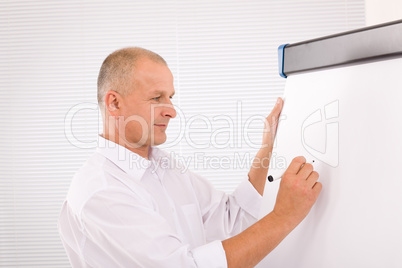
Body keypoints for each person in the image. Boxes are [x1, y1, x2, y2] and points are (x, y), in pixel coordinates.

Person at [58, 47, 322, 268]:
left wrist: (268, 147)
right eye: (156, 97)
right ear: (114, 103)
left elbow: (233, 218)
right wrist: (285, 216)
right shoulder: (101, 192)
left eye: (170, 97)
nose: (171, 111)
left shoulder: (165, 167)